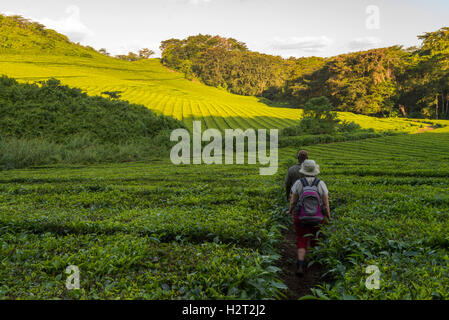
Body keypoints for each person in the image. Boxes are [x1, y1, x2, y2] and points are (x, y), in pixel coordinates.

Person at [288, 159, 331, 276]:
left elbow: (293, 201)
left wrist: (290, 211)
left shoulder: (298, 183)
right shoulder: (321, 183)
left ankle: (300, 263)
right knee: (315, 239)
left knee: (301, 239)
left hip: (301, 216)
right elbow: (326, 203)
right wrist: (328, 216)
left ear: (303, 171)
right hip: (318, 217)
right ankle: (314, 265)